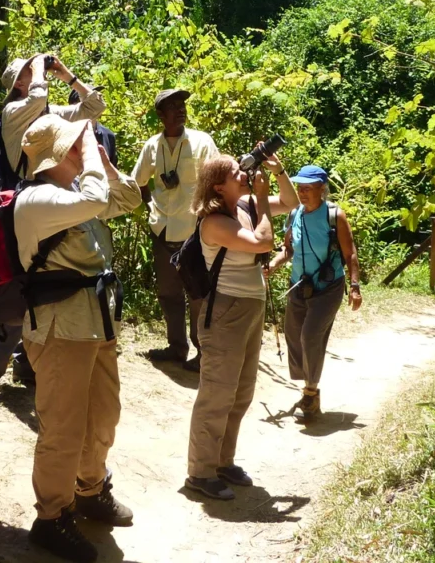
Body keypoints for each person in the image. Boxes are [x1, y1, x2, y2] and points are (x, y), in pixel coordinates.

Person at [17, 114, 142, 562]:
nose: (82, 147)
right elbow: (96, 198)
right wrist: (88, 154)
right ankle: (51, 518)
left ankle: (90, 491)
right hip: (60, 328)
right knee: (63, 428)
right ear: (56, 155)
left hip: (96, 322)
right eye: (73, 144)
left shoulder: (74, 194)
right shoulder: (38, 199)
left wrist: (104, 163)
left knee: (103, 416)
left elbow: (128, 198)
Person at [0, 54, 105, 410]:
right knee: (15, 300)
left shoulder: (48, 113)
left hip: (54, 207)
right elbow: (38, 97)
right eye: (30, 72)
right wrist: (37, 71)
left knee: (44, 294)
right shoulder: (14, 112)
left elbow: (94, 108)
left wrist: (67, 75)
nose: (39, 73)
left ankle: (27, 365)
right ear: (19, 82)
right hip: (23, 212)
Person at [185, 152, 298, 500]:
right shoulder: (213, 222)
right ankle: (200, 472)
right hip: (225, 310)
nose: (244, 173)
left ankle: (223, 461)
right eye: (236, 172)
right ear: (218, 186)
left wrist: (279, 171)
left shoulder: (246, 206)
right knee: (217, 393)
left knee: (241, 392)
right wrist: (262, 197)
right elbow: (263, 243)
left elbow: (291, 202)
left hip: (251, 308)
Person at [132, 88, 219, 371]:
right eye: (173, 106)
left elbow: (216, 181)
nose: (181, 110)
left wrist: (207, 218)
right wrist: (150, 207)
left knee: (197, 294)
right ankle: (176, 347)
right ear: (160, 114)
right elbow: (138, 182)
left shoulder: (201, 142)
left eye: (182, 105)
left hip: (194, 233)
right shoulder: (152, 146)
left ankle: (203, 352)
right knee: (168, 293)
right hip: (162, 231)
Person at [268, 165, 362, 421]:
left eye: (308, 188)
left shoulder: (334, 216)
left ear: (322, 189)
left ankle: (310, 393)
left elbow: (350, 253)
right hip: (299, 285)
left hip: (328, 287)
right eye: (300, 187)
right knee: (293, 334)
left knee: (310, 336)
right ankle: (308, 379)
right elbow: (288, 249)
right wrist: (274, 264)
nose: (302, 192)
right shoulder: (294, 214)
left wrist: (354, 287)